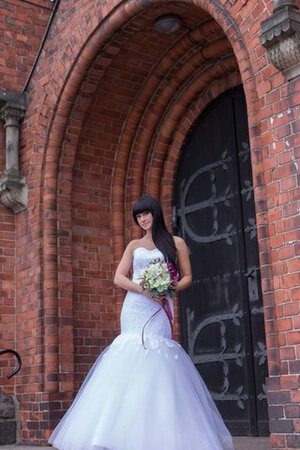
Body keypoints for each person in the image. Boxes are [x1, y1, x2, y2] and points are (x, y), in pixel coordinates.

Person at [49, 195, 235, 450]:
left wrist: (169, 287)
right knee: (129, 354)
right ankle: (114, 433)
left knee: (158, 357)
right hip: (136, 306)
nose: (143, 219)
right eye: (138, 216)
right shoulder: (134, 245)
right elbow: (118, 277)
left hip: (161, 306)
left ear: (156, 214)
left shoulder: (176, 243)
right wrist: (143, 289)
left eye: (146, 214)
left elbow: (188, 276)